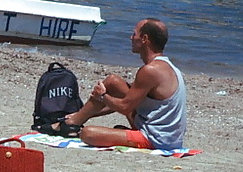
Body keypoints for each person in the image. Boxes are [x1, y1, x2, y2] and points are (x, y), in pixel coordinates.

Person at [48, 17, 187, 149]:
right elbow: (126, 101)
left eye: (134, 34)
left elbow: (125, 107)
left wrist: (102, 96)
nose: (131, 38)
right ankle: (73, 121)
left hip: (157, 139)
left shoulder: (150, 71)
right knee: (113, 82)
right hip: (163, 133)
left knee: (87, 133)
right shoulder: (166, 66)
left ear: (144, 39)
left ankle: (71, 124)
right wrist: (87, 113)